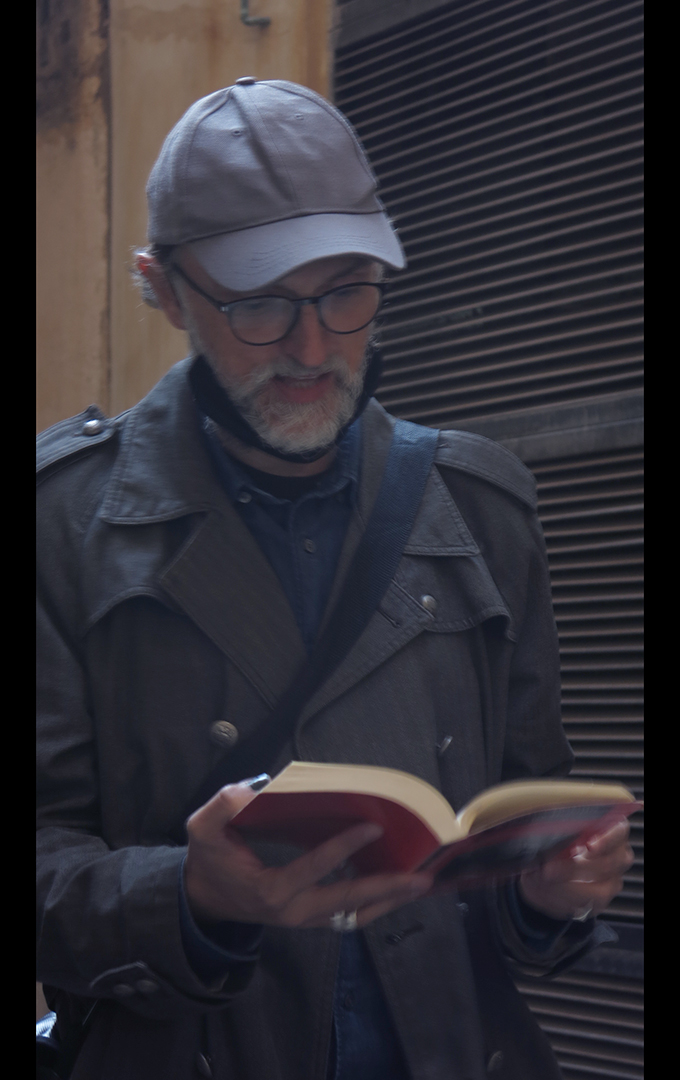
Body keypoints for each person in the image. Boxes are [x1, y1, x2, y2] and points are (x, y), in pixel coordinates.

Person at [37, 79, 633, 1080]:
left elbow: (517, 812)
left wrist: (548, 892)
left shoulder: (481, 501)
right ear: (166, 287)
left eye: (346, 289)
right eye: (261, 304)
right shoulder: (63, 522)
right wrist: (190, 896)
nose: (312, 347)